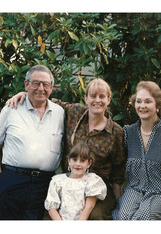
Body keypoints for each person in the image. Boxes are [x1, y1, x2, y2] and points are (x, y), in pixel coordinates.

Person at [6, 77, 126, 220]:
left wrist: (120, 202)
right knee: (49, 214)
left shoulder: (116, 132)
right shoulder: (74, 112)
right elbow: (49, 101)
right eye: (93, 96)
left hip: (96, 188)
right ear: (86, 98)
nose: (97, 100)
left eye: (102, 96)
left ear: (108, 99)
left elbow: (118, 169)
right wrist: (26, 95)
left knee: (95, 215)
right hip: (68, 182)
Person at [112, 81, 161, 220]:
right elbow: (117, 163)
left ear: (158, 105)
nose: (142, 106)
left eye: (148, 101)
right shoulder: (128, 133)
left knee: (142, 217)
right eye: (139, 101)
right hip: (135, 190)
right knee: (122, 217)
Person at [0, 65, 64, 220]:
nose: (41, 88)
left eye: (46, 84)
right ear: (26, 85)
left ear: (51, 87)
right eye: (35, 83)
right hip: (12, 180)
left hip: (44, 184)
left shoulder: (60, 112)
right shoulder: (11, 109)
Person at [44, 142, 107, 220]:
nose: (78, 164)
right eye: (74, 160)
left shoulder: (92, 181)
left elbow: (89, 207)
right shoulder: (58, 181)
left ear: (89, 163)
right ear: (69, 160)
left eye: (82, 161)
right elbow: (51, 208)